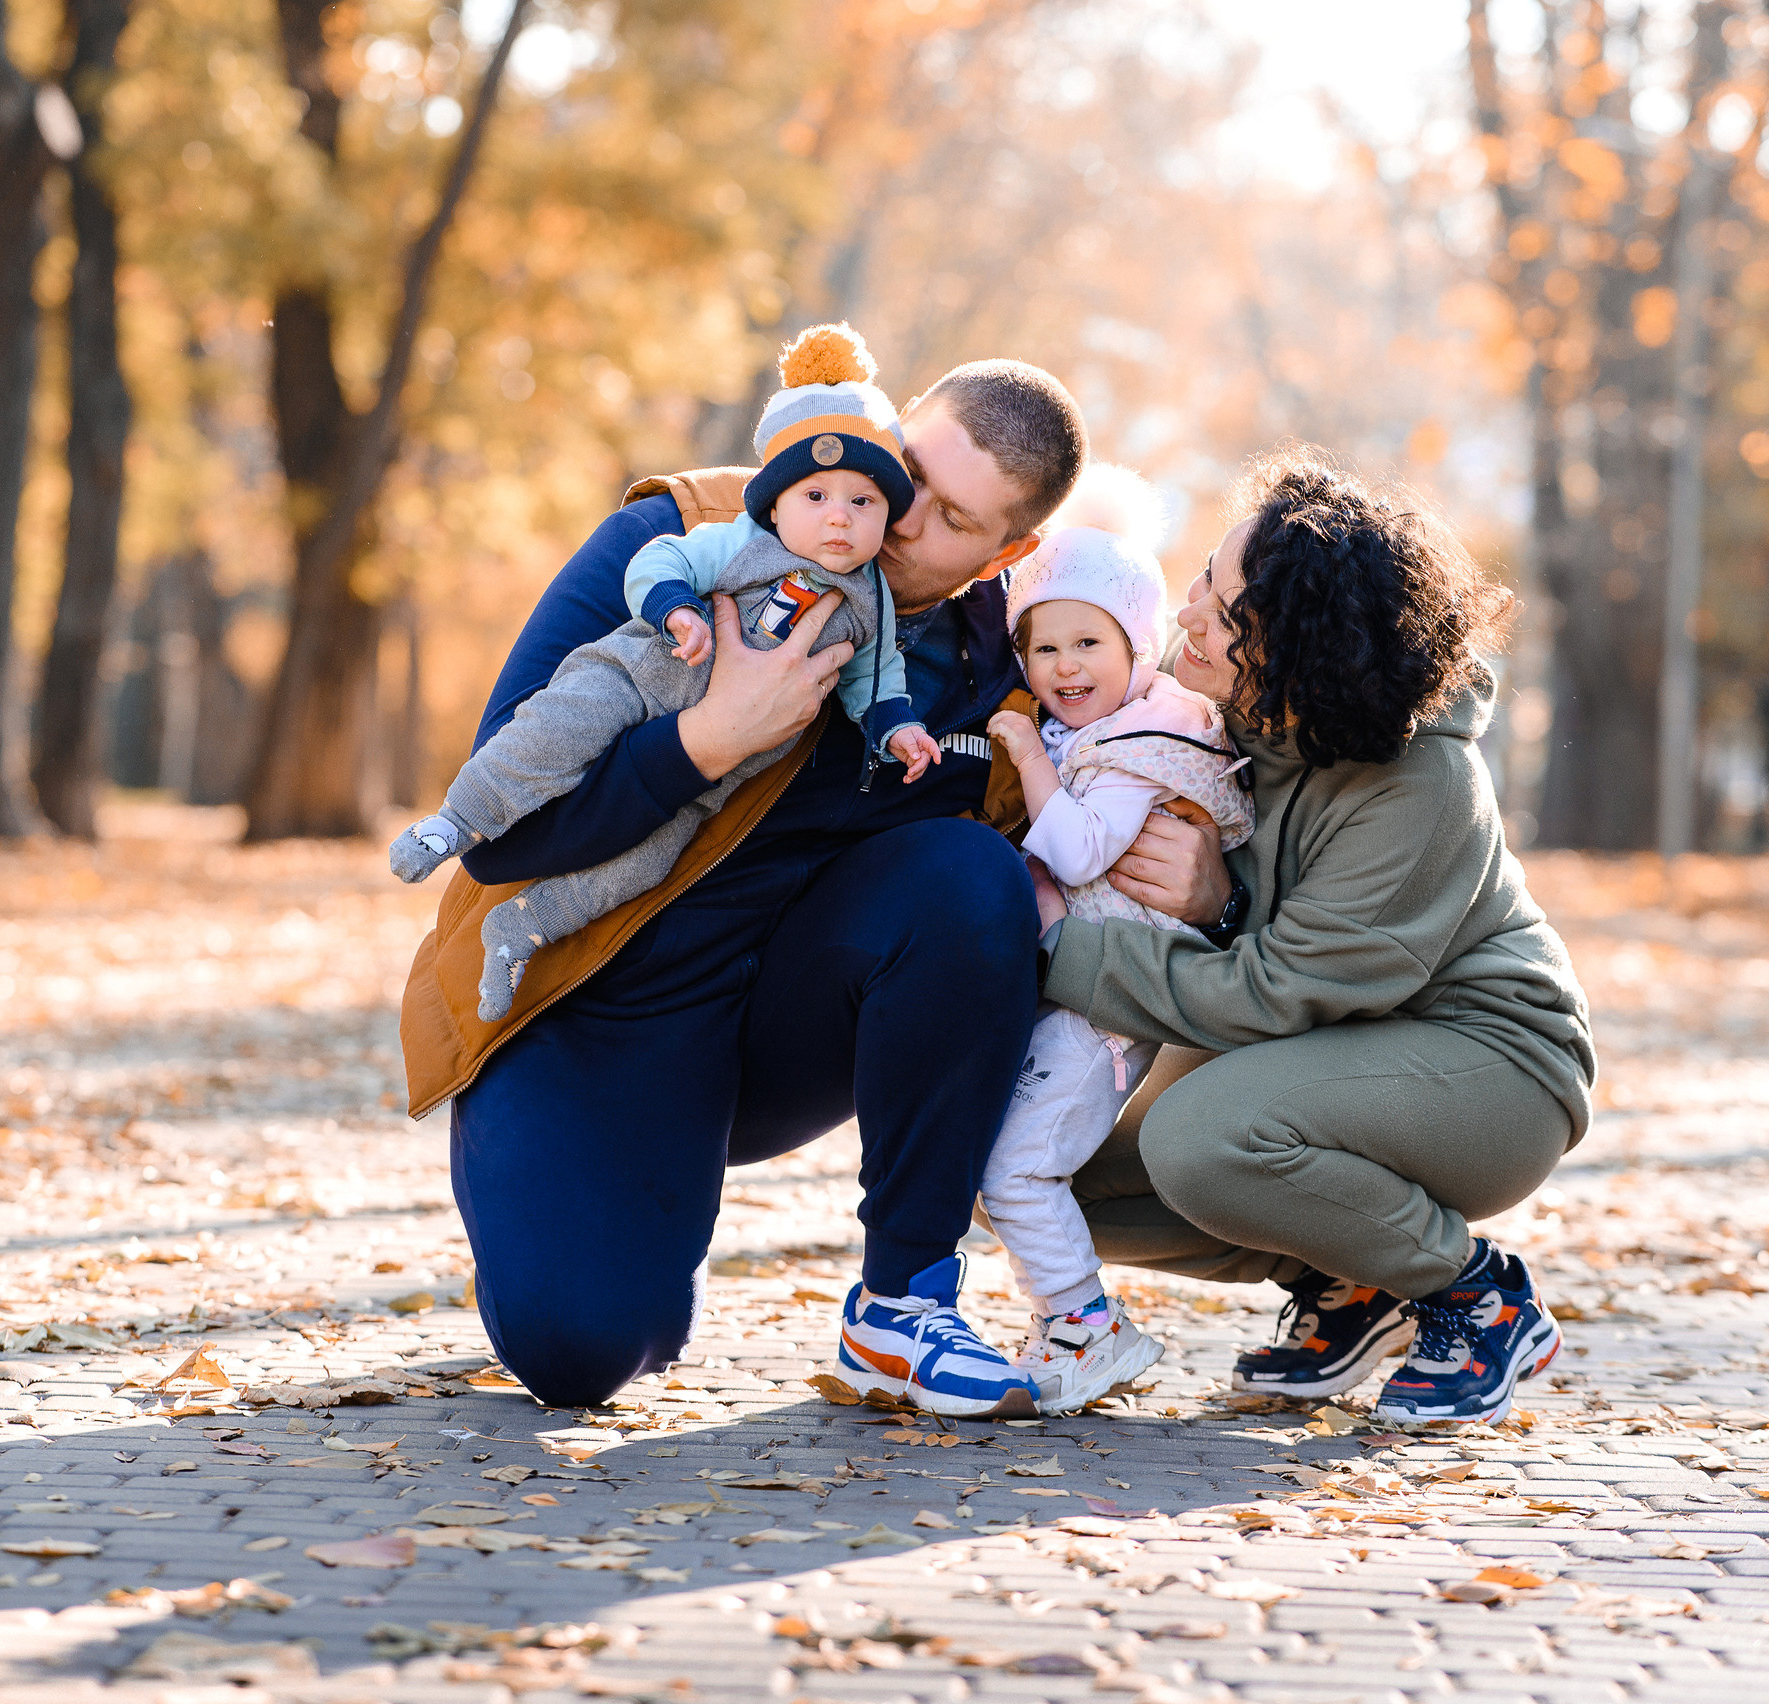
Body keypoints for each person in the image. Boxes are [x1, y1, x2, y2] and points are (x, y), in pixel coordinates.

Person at [396, 354, 1090, 1419]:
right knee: (584, 1352)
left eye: (951, 520)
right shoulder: (680, 537)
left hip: (775, 1032)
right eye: (906, 475)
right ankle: (599, 1200)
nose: (896, 524)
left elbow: (1122, 806)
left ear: (1012, 551)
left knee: (970, 877)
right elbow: (498, 841)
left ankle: (902, 1304)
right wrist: (705, 740)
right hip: (582, 1004)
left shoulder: (1005, 674)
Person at [1043, 447, 1596, 1425]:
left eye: (1224, 616)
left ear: (1303, 646)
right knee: (1026, 1164)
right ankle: (1354, 1280)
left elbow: (1279, 990)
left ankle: (1472, 1294)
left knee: (1202, 1141)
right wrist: (1212, 904)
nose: (1185, 621)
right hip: (1321, 1046)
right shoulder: (1212, 706)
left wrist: (1053, 948)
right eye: (1201, 584)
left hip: (1491, 1066)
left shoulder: (1418, 783)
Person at [385, 326, 943, 1021]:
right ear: (776, 502)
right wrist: (678, 610)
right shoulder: (741, 540)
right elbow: (658, 562)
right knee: (550, 737)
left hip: (714, 778)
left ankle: (524, 927)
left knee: (648, 863)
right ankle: (456, 822)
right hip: (634, 679)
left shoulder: (871, 599)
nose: (840, 519)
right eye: (817, 498)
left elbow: (875, 677)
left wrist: (897, 728)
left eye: (863, 503)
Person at [974, 497, 1254, 1415]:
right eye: (1043, 649)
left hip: (1107, 1012)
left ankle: (1088, 1327)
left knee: (1018, 1167)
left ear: (1136, 646)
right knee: (1001, 1161)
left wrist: (1026, 754)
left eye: (1089, 644)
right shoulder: (1104, 730)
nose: (1065, 667)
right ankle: (1067, 1321)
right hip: (1084, 994)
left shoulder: (1145, 747)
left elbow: (1083, 849)